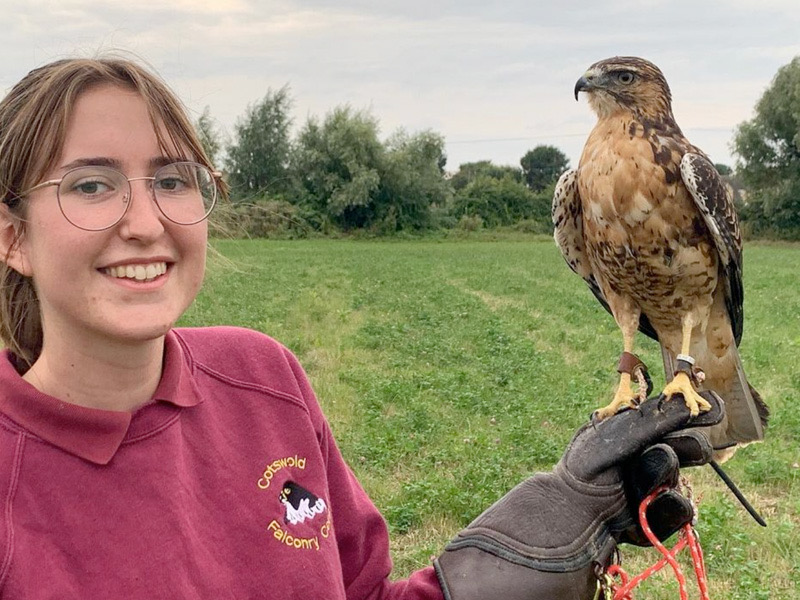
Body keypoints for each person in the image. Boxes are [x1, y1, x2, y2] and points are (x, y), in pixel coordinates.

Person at [0, 56, 723, 599]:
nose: (144, 221)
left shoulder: (261, 378)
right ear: (12, 236)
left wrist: (556, 519)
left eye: (171, 179)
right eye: (90, 185)